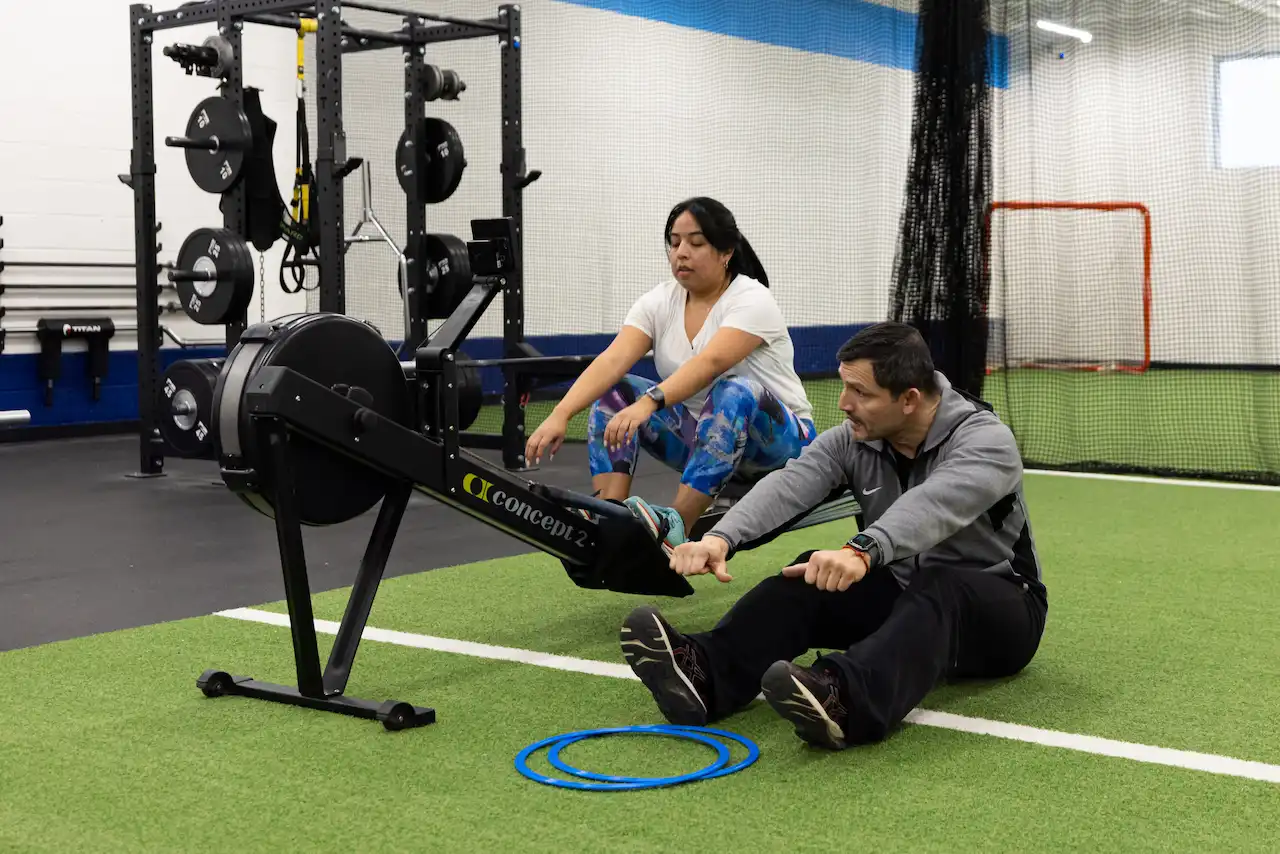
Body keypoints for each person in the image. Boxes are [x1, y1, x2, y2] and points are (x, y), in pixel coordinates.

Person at [618, 321, 1048, 750]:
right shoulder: (855, 440)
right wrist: (721, 538)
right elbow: (791, 484)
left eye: (861, 393)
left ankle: (846, 702)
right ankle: (706, 676)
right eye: (845, 387)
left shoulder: (986, 441)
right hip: (908, 596)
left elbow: (932, 505)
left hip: (1003, 612)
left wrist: (862, 549)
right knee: (807, 577)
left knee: (943, 584)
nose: (844, 403)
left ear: (910, 400)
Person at [524, 197, 816, 551]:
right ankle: (609, 516)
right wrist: (560, 413)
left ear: (725, 251)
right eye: (674, 242)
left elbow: (709, 364)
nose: (681, 252)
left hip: (783, 448)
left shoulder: (753, 299)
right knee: (615, 390)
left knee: (734, 389)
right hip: (708, 446)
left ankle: (675, 528)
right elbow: (612, 360)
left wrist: (649, 403)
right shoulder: (658, 302)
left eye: (696, 243)